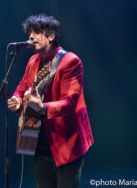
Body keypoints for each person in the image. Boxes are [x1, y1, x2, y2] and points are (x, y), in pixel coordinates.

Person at [7, 13, 94, 188]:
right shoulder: (33, 61)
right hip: (39, 139)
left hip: (66, 141)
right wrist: (16, 99)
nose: (30, 37)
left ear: (51, 36)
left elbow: (69, 102)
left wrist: (43, 107)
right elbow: (22, 87)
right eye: (29, 32)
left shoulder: (71, 62)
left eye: (36, 32)